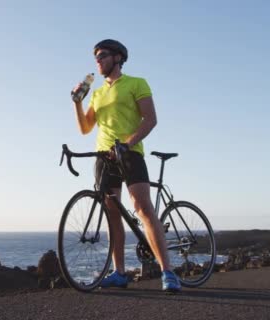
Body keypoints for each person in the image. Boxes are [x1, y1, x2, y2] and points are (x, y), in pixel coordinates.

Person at [71, 39, 181, 293]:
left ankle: (168, 272)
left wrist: (128, 143)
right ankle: (119, 273)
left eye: (103, 55)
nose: (98, 60)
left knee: (142, 208)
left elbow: (150, 119)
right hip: (104, 156)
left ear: (118, 58)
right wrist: (77, 102)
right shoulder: (97, 93)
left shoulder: (136, 83)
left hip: (129, 152)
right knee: (111, 213)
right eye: (96, 57)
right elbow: (85, 129)